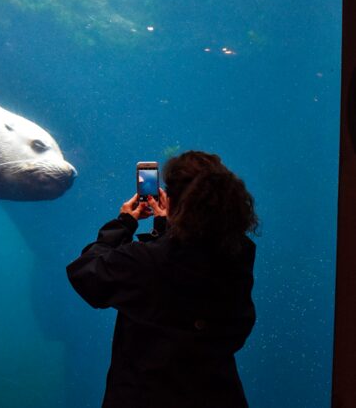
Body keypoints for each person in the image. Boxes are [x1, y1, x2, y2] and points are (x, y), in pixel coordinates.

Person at [67, 151, 258, 408]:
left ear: (177, 203)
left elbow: (86, 274)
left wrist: (124, 223)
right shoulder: (238, 255)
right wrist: (167, 230)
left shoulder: (146, 262)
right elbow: (186, 266)